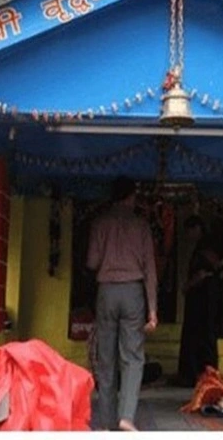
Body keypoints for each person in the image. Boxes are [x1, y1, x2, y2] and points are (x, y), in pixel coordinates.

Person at [86, 177, 158, 432]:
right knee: (133, 358)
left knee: (106, 358)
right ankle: (126, 416)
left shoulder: (100, 223)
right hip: (133, 293)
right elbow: (150, 269)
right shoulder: (141, 226)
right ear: (131, 197)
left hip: (106, 291)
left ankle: (106, 423)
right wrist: (152, 309)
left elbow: (92, 262)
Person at [176, 216, 223, 387]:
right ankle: (203, 375)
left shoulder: (205, 248)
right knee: (202, 338)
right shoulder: (203, 247)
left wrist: (187, 286)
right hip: (205, 301)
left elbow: (203, 273)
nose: (189, 235)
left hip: (203, 301)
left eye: (190, 231)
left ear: (197, 228)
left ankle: (202, 375)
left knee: (201, 338)